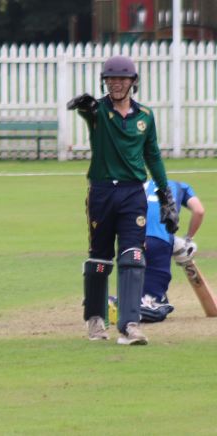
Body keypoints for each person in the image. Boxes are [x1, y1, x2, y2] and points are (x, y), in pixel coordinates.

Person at [67, 55, 178, 345]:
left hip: (132, 193)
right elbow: (88, 110)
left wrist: (165, 195)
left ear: (132, 82)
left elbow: (153, 155)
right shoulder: (98, 111)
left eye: (122, 79)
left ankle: (130, 325)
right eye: (110, 79)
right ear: (104, 81)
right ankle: (95, 318)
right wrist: (85, 107)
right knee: (100, 258)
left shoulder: (145, 116)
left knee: (133, 256)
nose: (116, 84)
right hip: (102, 192)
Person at [140, 179, 205, 322]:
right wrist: (188, 240)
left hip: (132, 239)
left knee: (136, 281)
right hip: (159, 240)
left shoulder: (144, 185)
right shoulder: (182, 186)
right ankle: (144, 305)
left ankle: (129, 302)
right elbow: (199, 211)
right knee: (154, 308)